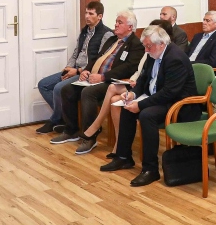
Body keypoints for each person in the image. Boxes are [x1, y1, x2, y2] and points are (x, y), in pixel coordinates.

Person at [100, 25, 201, 187]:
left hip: (179, 105)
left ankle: (150, 169)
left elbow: (169, 93)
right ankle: (123, 157)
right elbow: (143, 79)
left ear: (161, 43)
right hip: (159, 98)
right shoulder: (153, 53)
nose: (146, 50)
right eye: (145, 46)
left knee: (147, 115)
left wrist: (140, 105)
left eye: (149, 46)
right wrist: (132, 94)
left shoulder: (175, 58)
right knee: (127, 107)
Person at [73, 19, 168, 156]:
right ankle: (119, 146)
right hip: (134, 83)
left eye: (120, 22)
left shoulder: (151, 50)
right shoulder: (145, 49)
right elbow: (141, 72)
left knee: (110, 89)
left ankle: (98, 127)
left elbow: (135, 70)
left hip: (137, 86)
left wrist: (132, 83)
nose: (116, 24)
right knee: (113, 99)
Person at [52, 11, 145, 145]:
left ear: (130, 27)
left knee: (88, 93)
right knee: (67, 89)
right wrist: (86, 70)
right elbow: (96, 58)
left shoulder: (136, 45)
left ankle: (90, 136)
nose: (116, 24)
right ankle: (71, 130)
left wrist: (103, 77)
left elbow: (128, 68)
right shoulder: (112, 40)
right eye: (116, 21)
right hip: (94, 77)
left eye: (120, 22)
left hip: (111, 81)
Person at [36, 1, 112, 135]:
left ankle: (56, 120)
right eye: (86, 13)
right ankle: (64, 118)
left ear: (99, 16)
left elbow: (100, 60)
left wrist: (78, 71)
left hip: (86, 73)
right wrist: (69, 66)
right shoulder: (84, 31)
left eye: (91, 14)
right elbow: (76, 51)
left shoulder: (106, 34)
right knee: (43, 85)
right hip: (75, 69)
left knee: (59, 88)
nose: (87, 16)